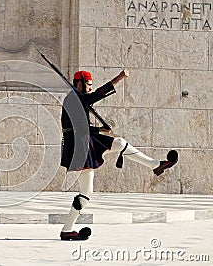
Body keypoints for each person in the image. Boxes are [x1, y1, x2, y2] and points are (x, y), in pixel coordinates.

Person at [59, 69, 178, 241]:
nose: (91, 88)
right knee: (85, 193)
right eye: (89, 85)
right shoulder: (74, 98)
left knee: (87, 191)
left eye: (92, 85)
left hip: (85, 141)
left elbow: (79, 126)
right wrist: (119, 78)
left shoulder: (77, 99)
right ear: (80, 84)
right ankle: (67, 230)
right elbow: (97, 96)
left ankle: (67, 230)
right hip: (79, 149)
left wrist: (100, 130)